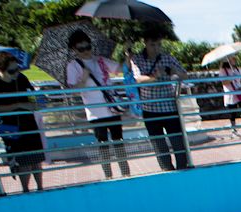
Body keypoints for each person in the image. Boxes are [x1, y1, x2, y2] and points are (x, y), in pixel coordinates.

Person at [64, 30, 130, 179]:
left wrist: (126, 55)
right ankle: (108, 176)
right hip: (95, 112)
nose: (86, 51)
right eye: (81, 49)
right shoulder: (73, 66)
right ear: (74, 49)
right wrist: (83, 79)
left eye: (88, 47)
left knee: (119, 141)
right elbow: (72, 90)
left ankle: (126, 173)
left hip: (112, 108)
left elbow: (120, 69)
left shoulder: (100, 60)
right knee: (103, 145)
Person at [0, 50, 45, 192]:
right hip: (9, 126)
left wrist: (37, 101)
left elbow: (32, 96)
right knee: (23, 160)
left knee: (36, 157)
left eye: (17, 69)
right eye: (11, 71)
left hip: (28, 122)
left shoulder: (21, 78)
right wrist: (18, 105)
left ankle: (40, 188)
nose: (16, 73)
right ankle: (25, 190)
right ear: (0, 70)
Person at [130, 27, 190, 170]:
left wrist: (172, 72)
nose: (156, 48)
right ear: (145, 43)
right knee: (159, 145)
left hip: (169, 107)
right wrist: (154, 77)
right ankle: (167, 170)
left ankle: (183, 169)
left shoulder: (167, 58)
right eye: (152, 44)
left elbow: (184, 75)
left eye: (158, 44)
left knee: (178, 143)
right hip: (150, 109)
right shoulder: (137, 59)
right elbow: (137, 79)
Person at [219, 55, 241, 137]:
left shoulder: (237, 69)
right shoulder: (223, 70)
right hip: (230, 93)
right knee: (232, 112)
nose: (234, 60)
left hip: (239, 90)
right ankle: (234, 130)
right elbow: (223, 82)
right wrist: (231, 78)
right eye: (232, 59)